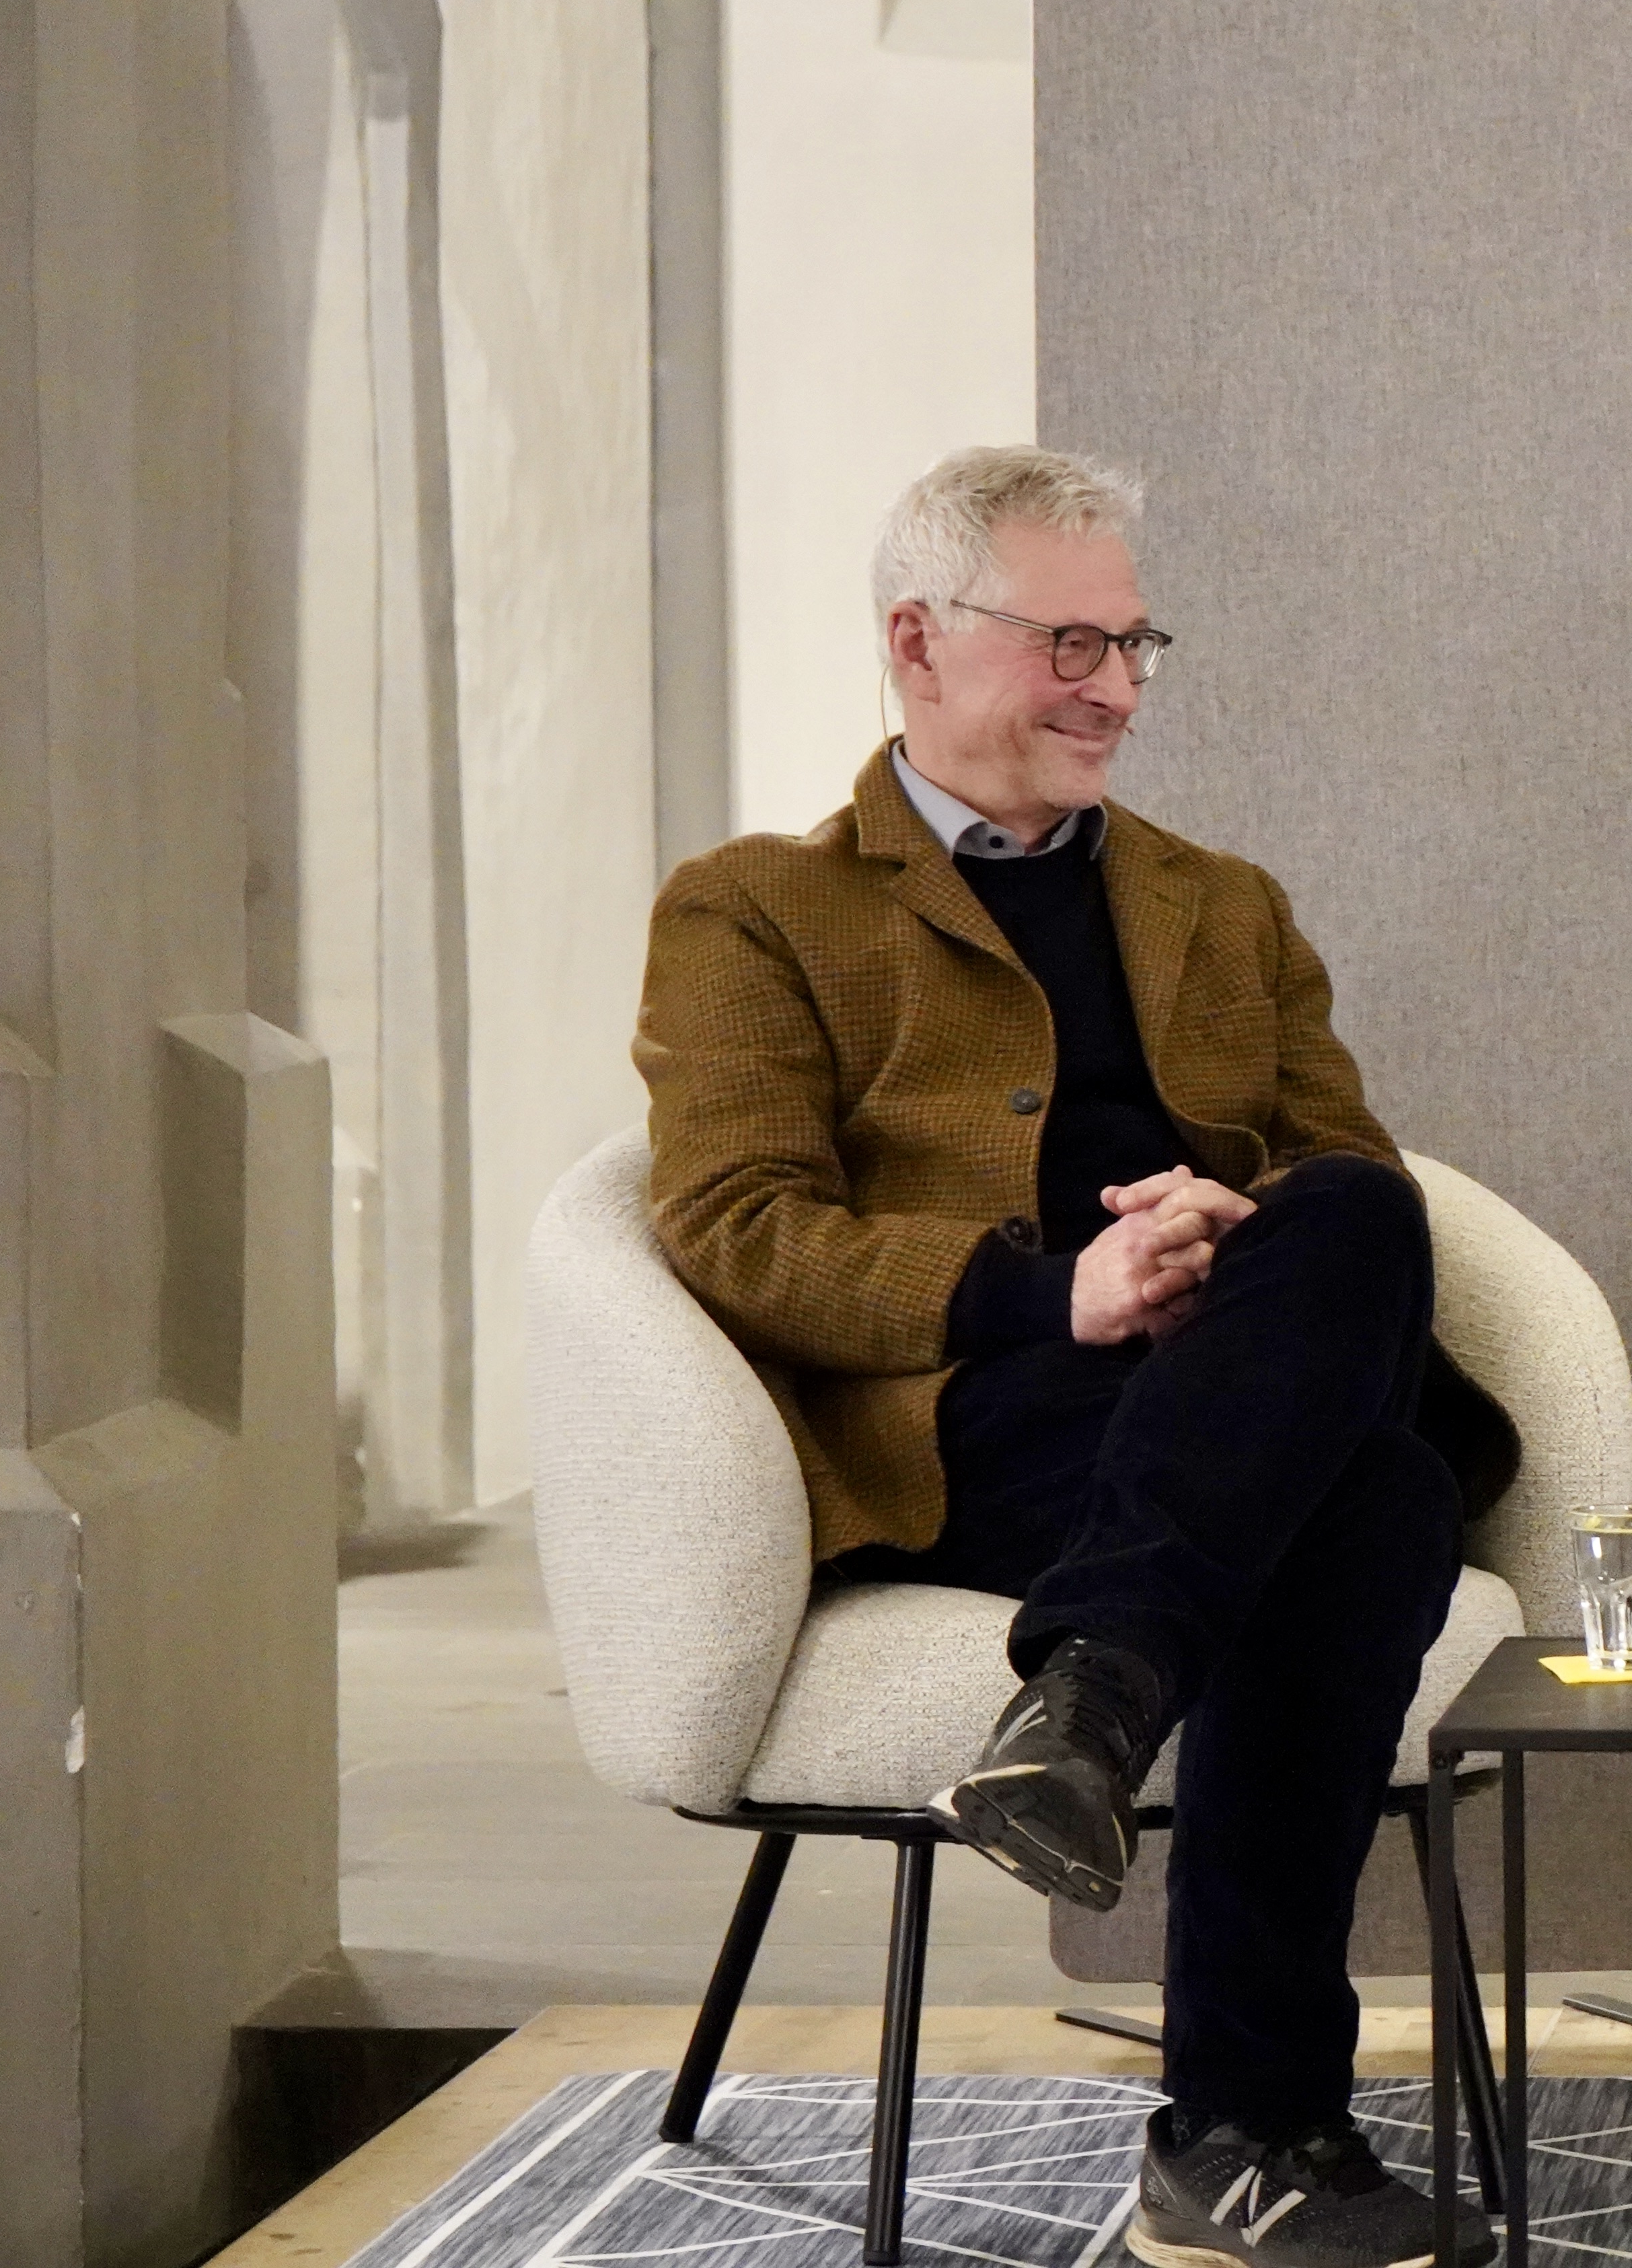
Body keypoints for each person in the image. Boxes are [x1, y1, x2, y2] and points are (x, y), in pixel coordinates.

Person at [635, 445, 1512, 2268]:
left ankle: (1095, 1693)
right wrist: (1063, 1297)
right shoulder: (757, 911)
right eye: (1070, 644)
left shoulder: (1224, 903)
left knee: (1356, 1213)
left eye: (1133, 645)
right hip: (990, 1422)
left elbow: (1342, 1168)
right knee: (1378, 1501)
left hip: (1230, 1383)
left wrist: (1226, 1224)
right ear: (919, 641)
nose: (1114, 687)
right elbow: (737, 1228)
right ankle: (1242, 2136)